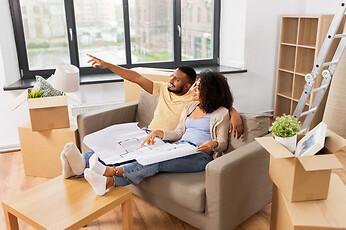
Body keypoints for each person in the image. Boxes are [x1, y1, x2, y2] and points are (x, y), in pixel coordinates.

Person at [62, 71, 233, 195]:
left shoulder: (221, 113)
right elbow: (179, 132)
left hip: (200, 156)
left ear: (209, 91)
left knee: (156, 162)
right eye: (195, 86)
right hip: (180, 147)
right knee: (145, 153)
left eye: (198, 88)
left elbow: (223, 142)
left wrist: (214, 144)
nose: (194, 89)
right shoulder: (189, 107)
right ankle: (106, 182)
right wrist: (161, 133)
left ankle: (110, 172)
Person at [86, 54, 243, 137]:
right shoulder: (162, 89)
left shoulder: (194, 98)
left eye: (176, 79)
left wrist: (234, 113)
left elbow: (217, 100)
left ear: (188, 86)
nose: (171, 80)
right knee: (115, 139)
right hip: (147, 132)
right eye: (172, 76)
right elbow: (136, 77)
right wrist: (107, 65)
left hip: (165, 139)